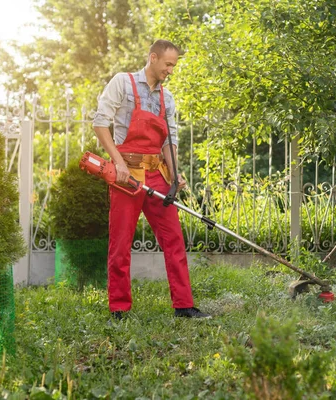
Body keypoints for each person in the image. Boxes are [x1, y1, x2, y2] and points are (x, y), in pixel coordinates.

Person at [92, 39, 210, 320]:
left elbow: (170, 140)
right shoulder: (123, 83)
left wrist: (174, 173)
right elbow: (100, 123)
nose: (171, 70)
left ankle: (183, 305)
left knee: (174, 240)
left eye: (174, 65)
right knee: (120, 244)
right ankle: (119, 307)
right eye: (168, 64)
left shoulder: (166, 98)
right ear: (153, 58)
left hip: (157, 174)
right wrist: (118, 162)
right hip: (127, 173)